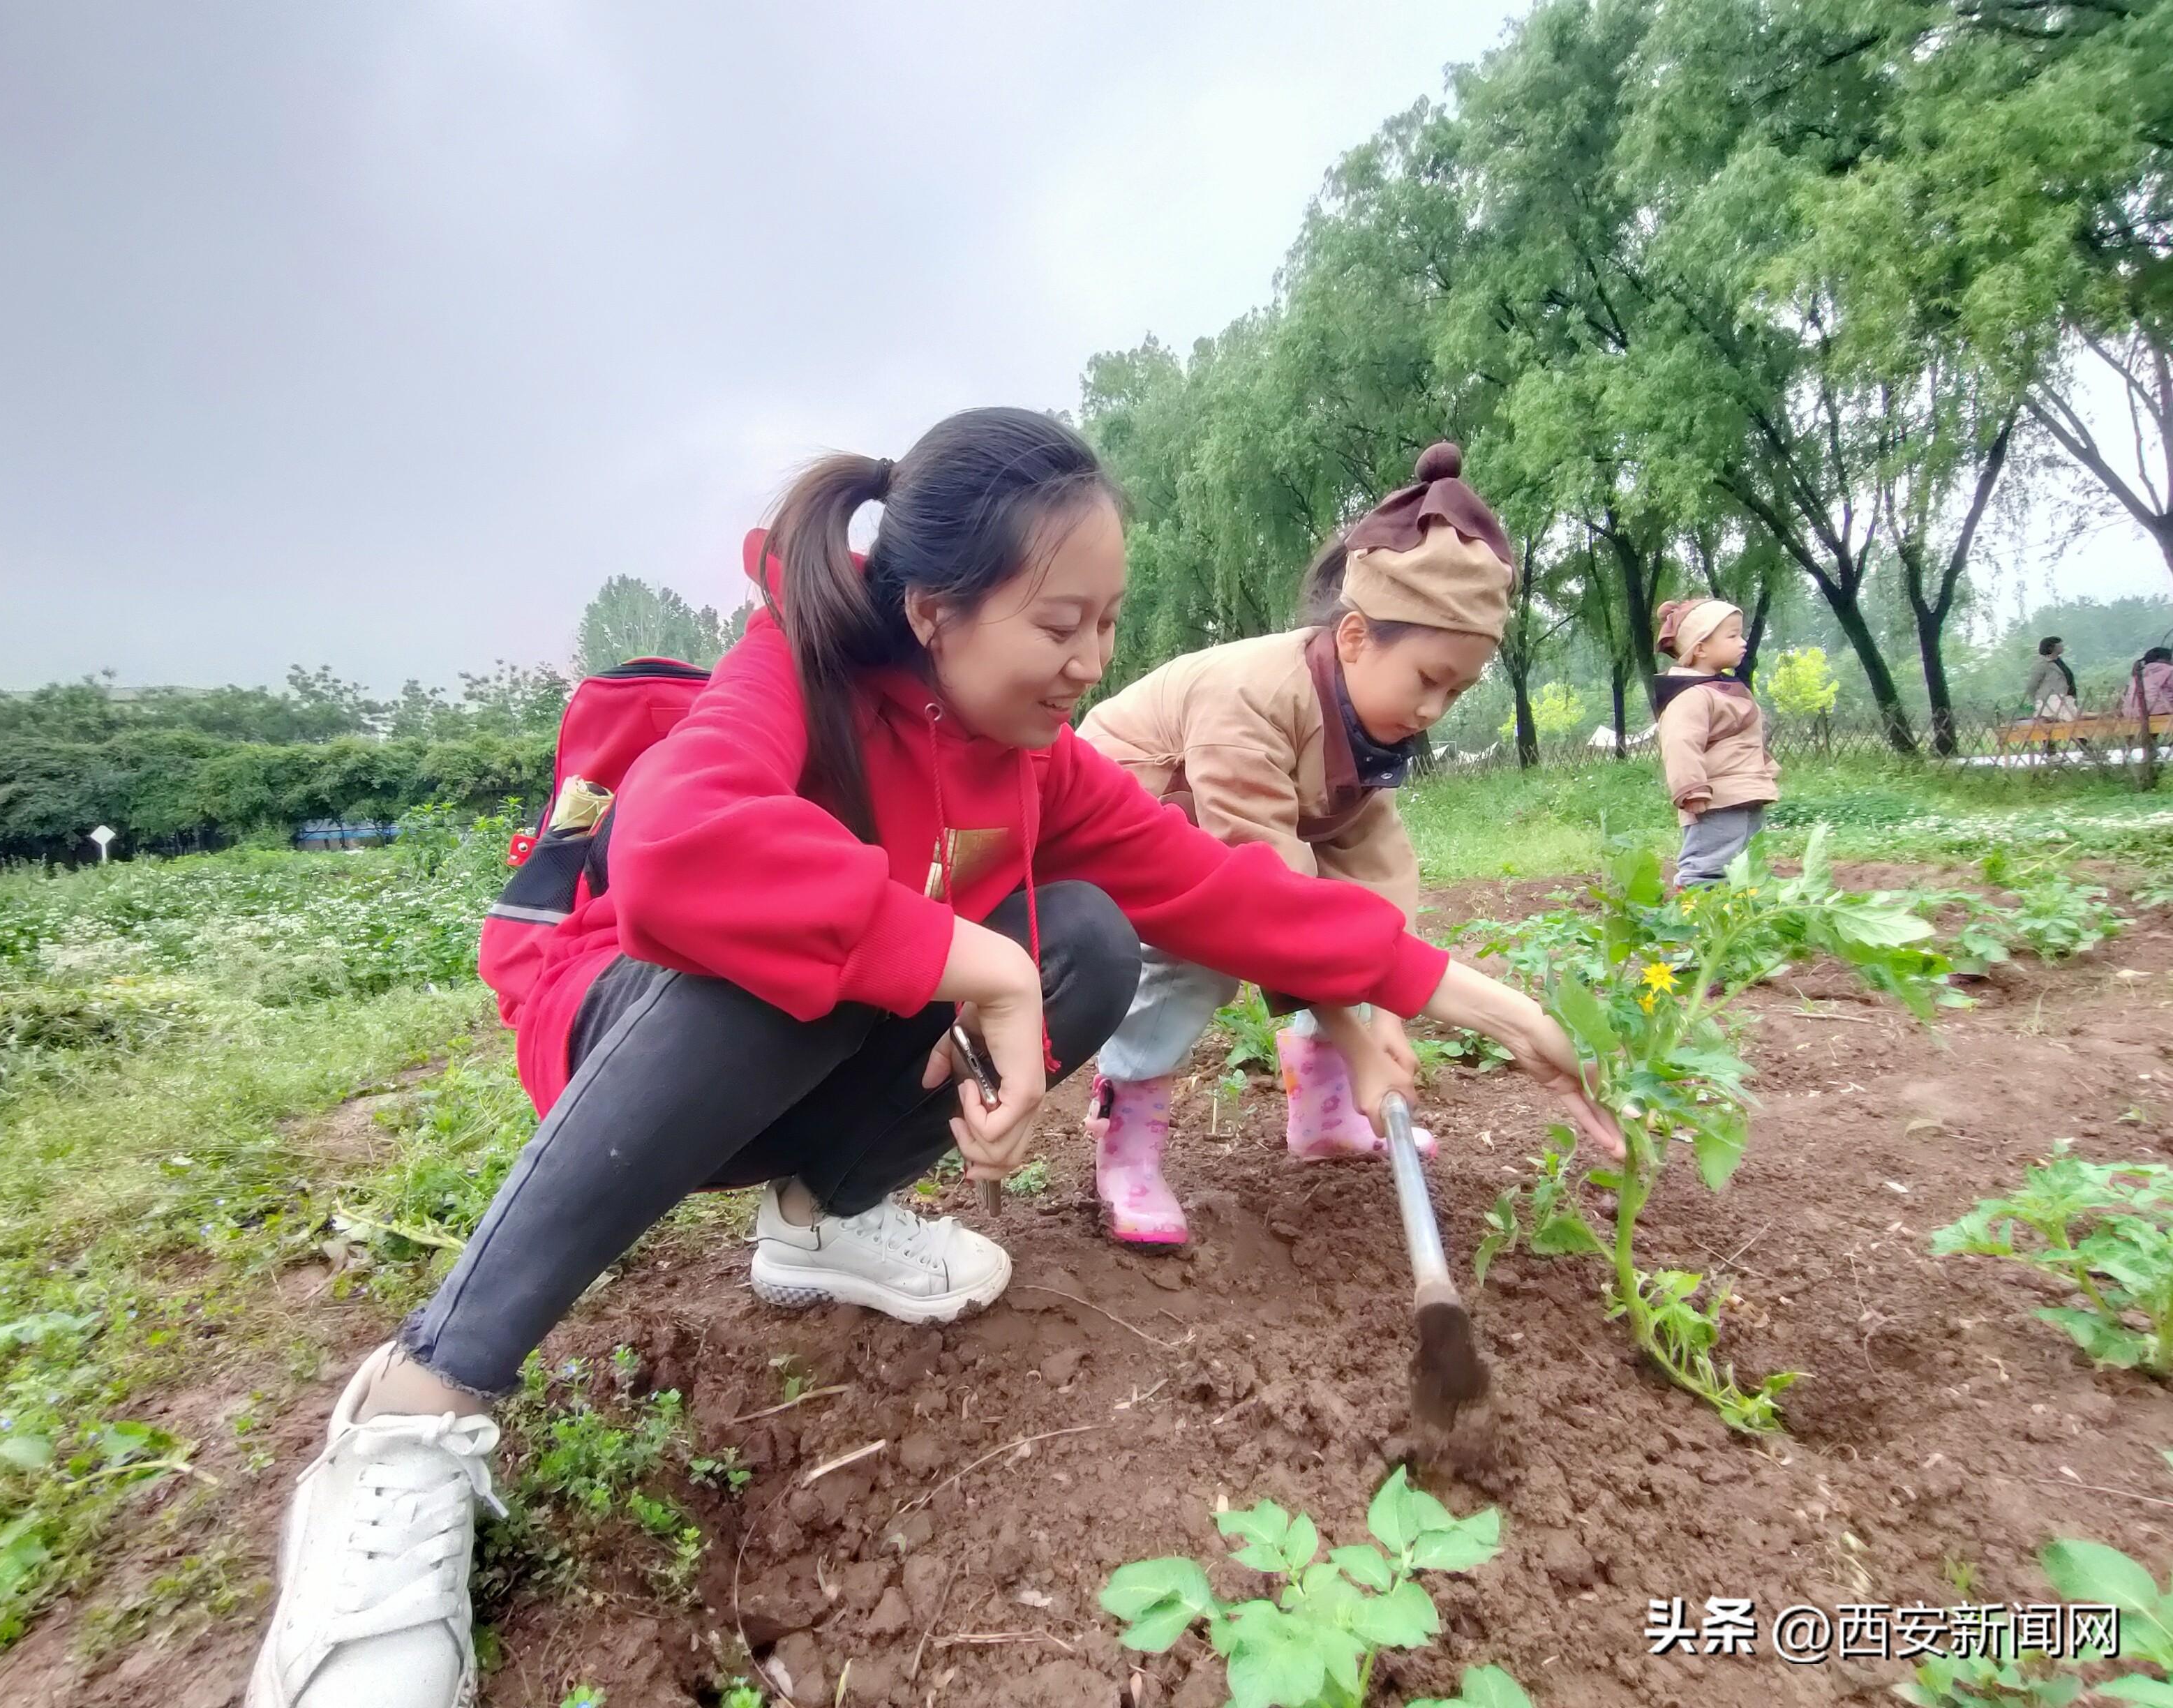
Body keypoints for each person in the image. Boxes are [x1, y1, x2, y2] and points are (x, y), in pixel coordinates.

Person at [246, 408, 1622, 1708]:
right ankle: (416, 1407)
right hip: (645, 1051)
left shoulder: (1032, 761)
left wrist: (1468, 997)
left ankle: (820, 1222)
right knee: (830, 943)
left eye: (1109, 626)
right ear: (932, 611)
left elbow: (1221, 892)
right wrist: (975, 960)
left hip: (794, 1086)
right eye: (1059, 624)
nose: (1091, 663)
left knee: (1086, 934)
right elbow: (676, 853)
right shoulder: (796, 670)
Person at [1073, 442, 1504, 1245]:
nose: (1438, 709)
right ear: (1352, 639)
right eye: (1429, 680)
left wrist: (1390, 1016)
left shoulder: (1367, 723)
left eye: (1459, 689)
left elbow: (1370, 886)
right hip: (1125, 840)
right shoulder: (1252, 698)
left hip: (1224, 852)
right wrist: (1358, 1035)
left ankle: (1325, 1115)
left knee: (1344, 921)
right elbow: (1265, 898)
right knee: (1194, 958)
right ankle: (1127, 1142)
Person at [1653, 598, 1779, 888]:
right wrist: (1691, 787)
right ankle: (1697, 917)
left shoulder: (1725, 690)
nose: (1743, 642)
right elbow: (1681, 744)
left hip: (1744, 792)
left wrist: (1764, 769)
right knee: (1709, 866)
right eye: (1733, 635)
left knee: (1746, 864)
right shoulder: (1691, 696)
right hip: (1715, 799)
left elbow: (1744, 738)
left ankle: (1735, 922)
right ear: (1700, 647)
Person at [2027, 636, 2081, 722]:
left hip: (2066, 699)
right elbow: (2032, 685)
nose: (2062, 646)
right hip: (2051, 700)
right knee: (2068, 721)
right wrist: (2038, 701)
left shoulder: (2059, 662)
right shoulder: (2042, 664)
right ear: (2051, 647)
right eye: (2059, 645)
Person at [2121, 646, 2173, 719]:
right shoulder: (2170, 670)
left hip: (2131, 713)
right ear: (2166, 659)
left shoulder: (2138, 672)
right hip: (2159, 711)